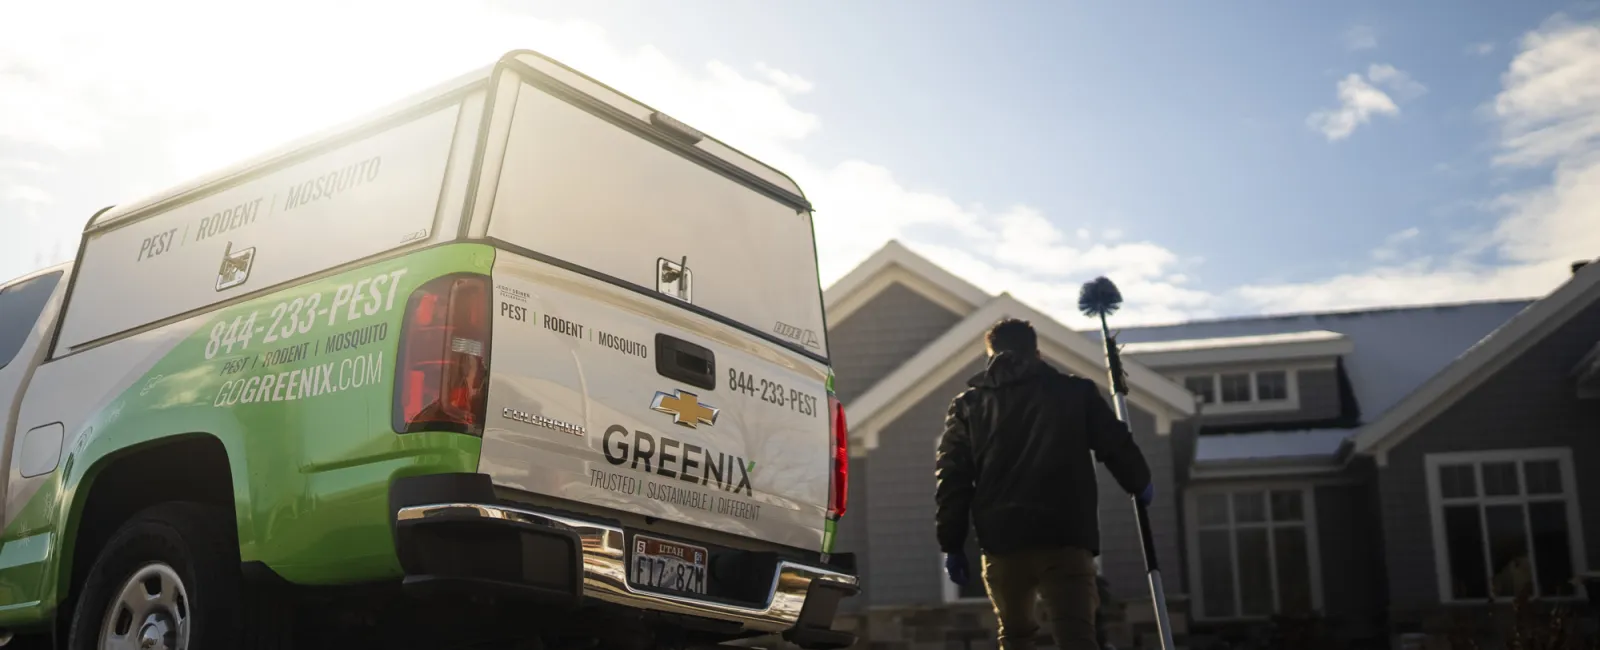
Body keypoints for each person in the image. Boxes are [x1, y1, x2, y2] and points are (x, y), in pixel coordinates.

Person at [935, 318, 1154, 650]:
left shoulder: (969, 406)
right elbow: (1114, 443)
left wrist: (952, 543)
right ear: (1036, 353)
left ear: (990, 355)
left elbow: (953, 477)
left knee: (1016, 637)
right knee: (1078, 639)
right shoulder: (1075, 393)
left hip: (1002, 543)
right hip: (1065, 538)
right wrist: (1139, 481)